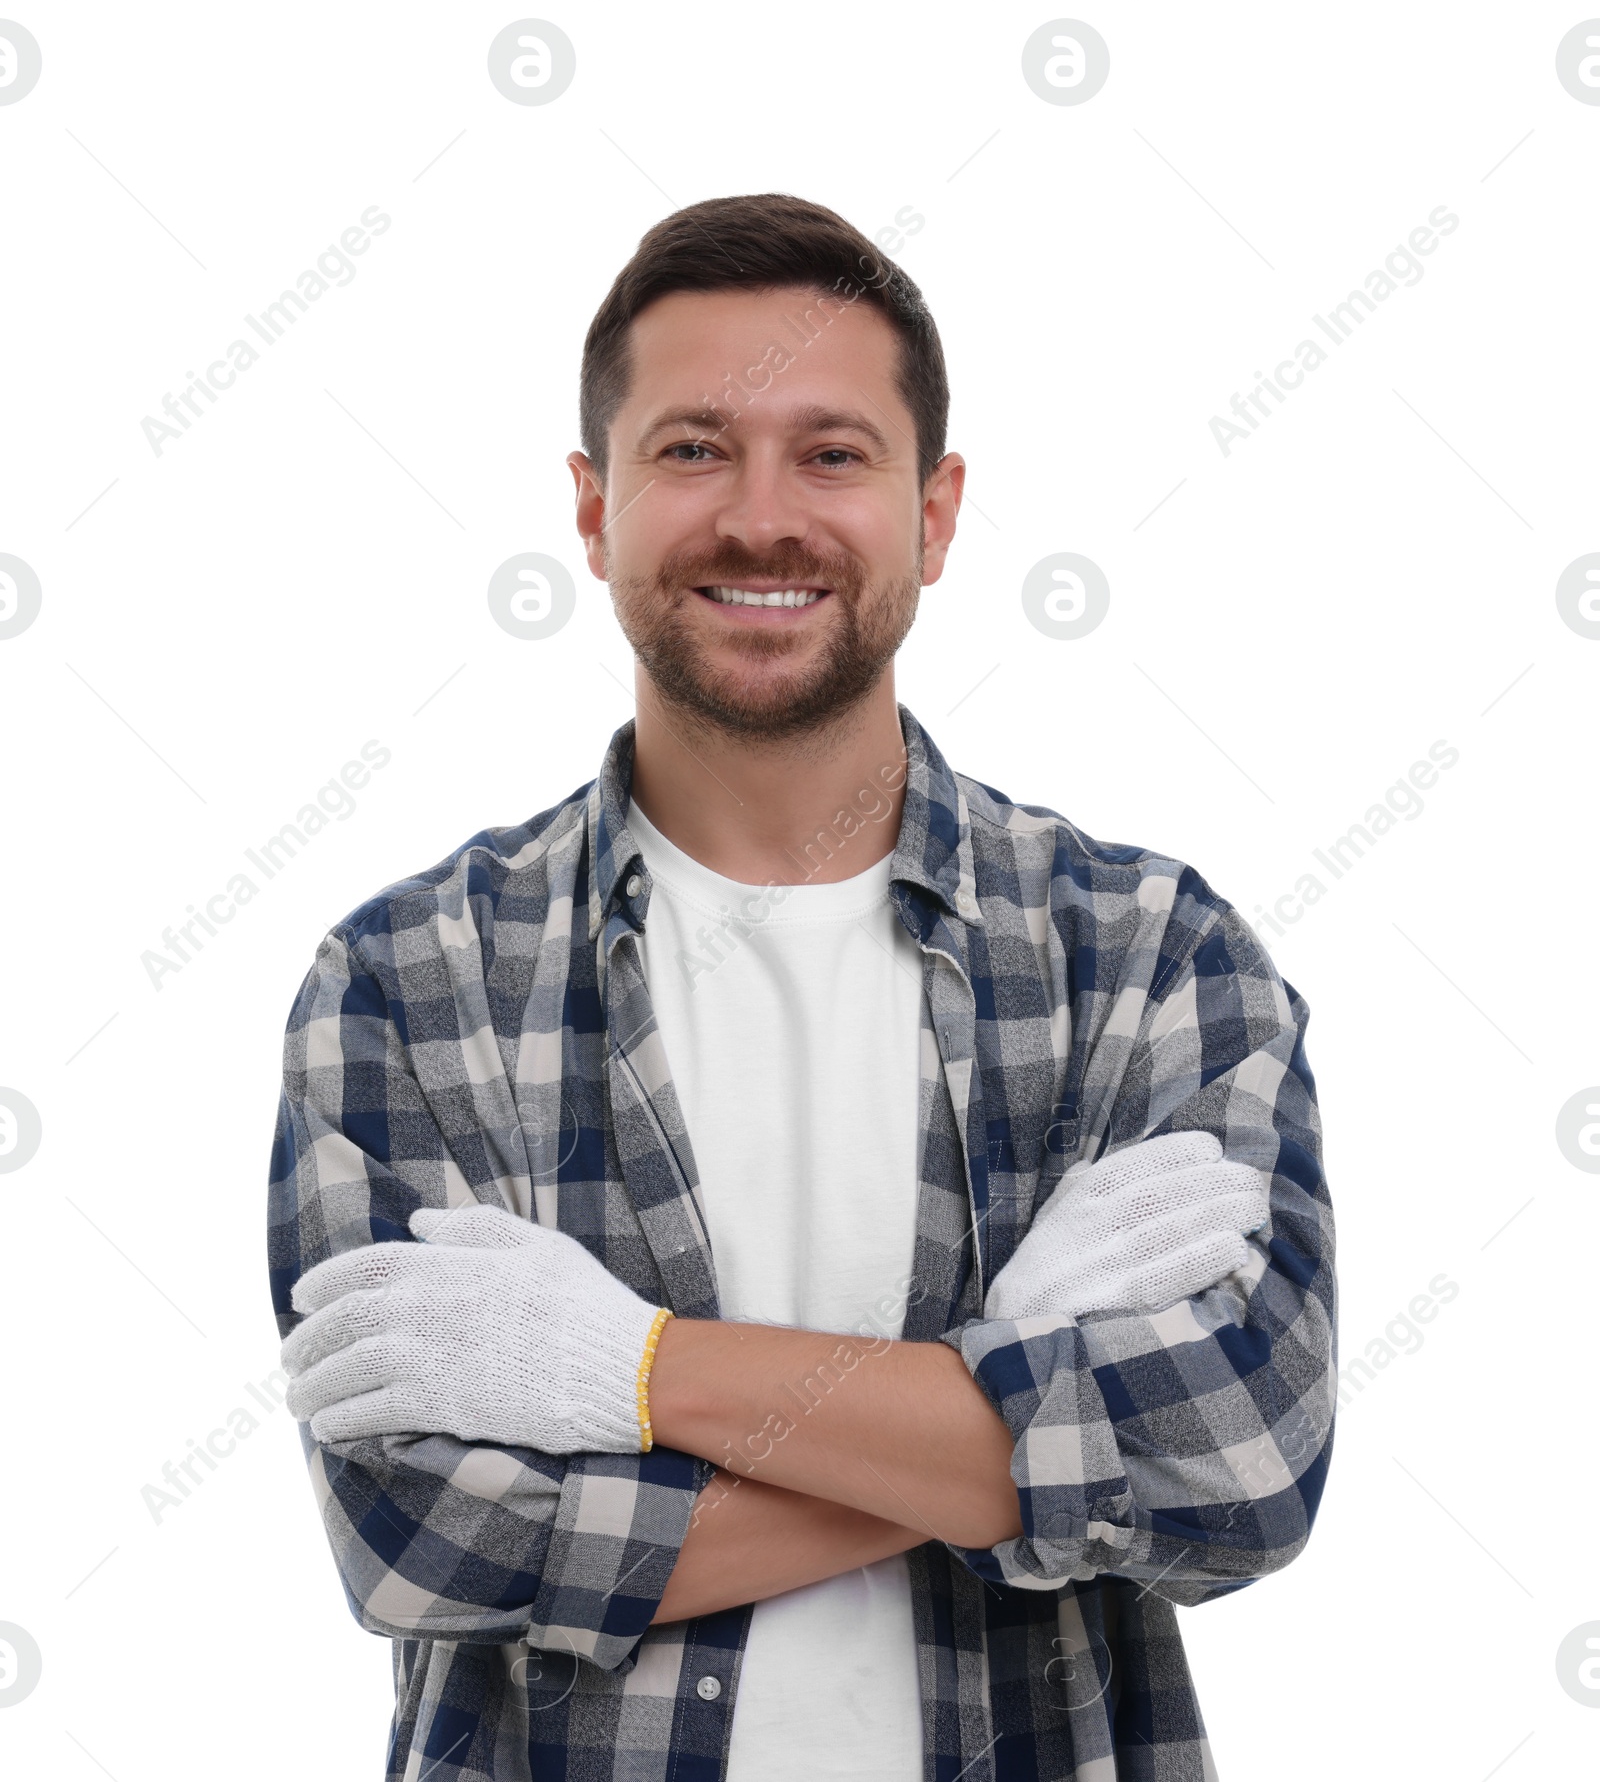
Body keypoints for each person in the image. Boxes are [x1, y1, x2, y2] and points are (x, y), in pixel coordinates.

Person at [269, 192, 1336, 1781]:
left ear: (937, 512)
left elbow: (1240, 1465)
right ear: (592, 506)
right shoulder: (407, 985)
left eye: (832, 454)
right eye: (694, 448)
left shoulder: (1151, 957)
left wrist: (625, 1372)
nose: (762, 517)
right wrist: (1008, 1402)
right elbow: (426, 1546)